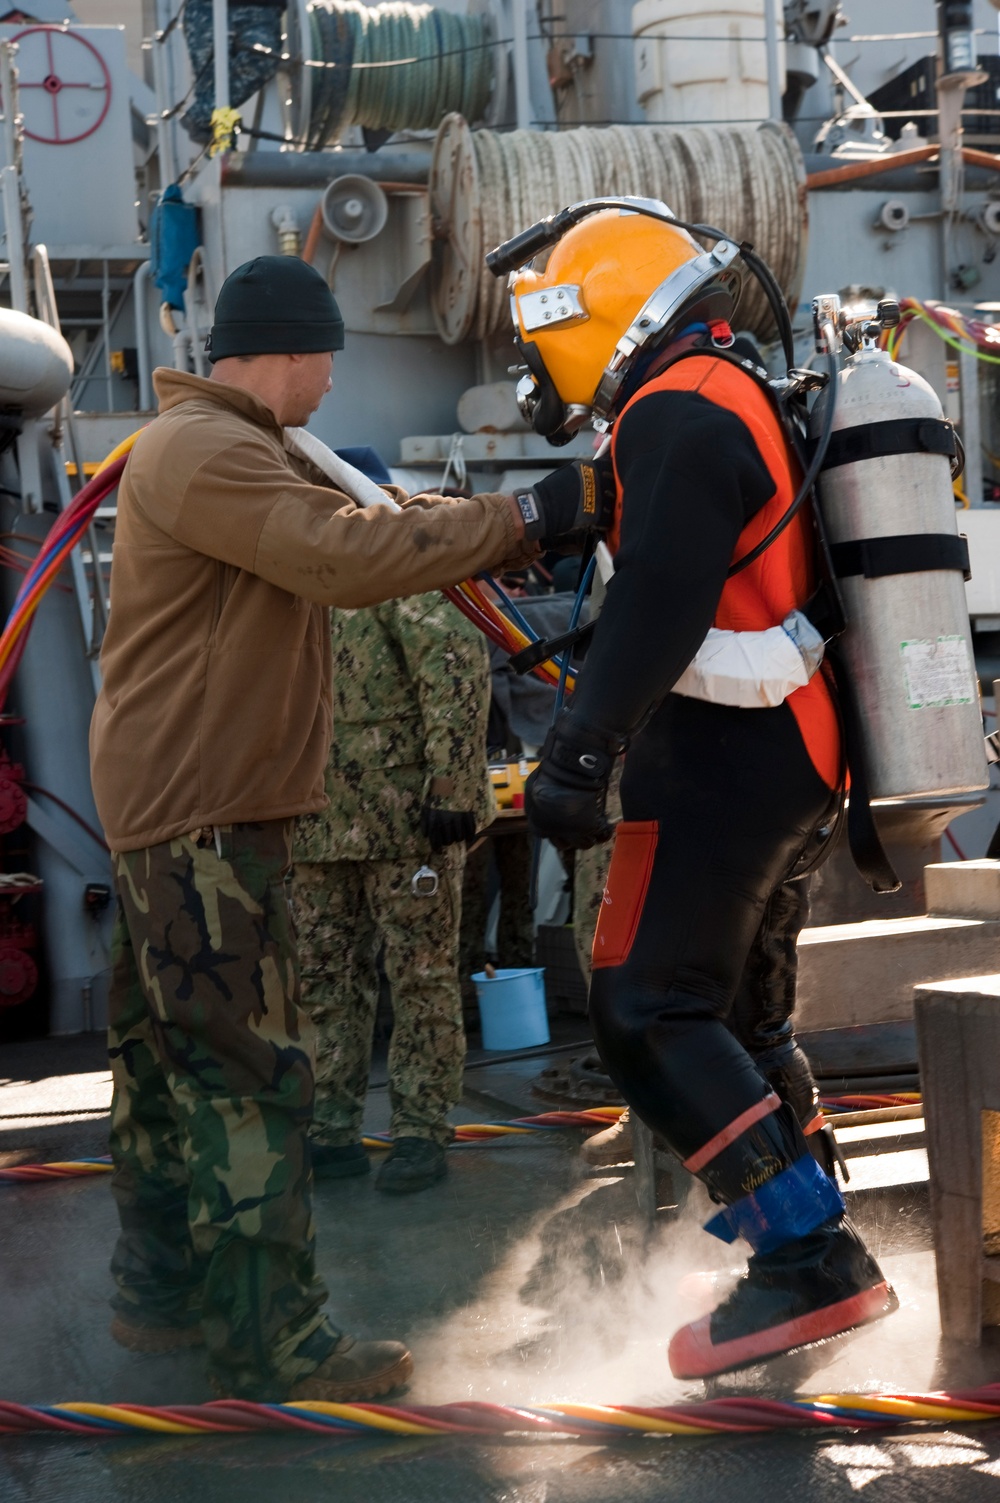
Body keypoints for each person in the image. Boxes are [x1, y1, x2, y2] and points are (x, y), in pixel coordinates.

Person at [89, 254, 612, 1403]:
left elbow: (371, 515)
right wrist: (529, 511)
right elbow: (342, 556)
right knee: (252, 1077)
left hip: (176, 810)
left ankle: (163, 1298)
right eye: (328, 358)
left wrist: (510, 528)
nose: (332, 384)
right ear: (289, 348)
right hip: (206, 820)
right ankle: (276, 1346)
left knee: (166, 1068)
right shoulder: (213, 450)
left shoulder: (228, 448)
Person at [513, 205, 897, 1379]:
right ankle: (808, 1234)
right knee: (738, 1017)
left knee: (643, 1008)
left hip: (728, 754)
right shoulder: (717, 390)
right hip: (788, 748)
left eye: (541, 335)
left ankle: (809, 1261)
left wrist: (577, 754)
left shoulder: (675, 408)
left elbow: (664, 599)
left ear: (600, 319)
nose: (534, 362)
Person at [294, 588, 495, 1194]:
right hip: (314, 822)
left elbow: (453, 659)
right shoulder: (283, 566)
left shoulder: (386, 556)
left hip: (405, 819)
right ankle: (329, 1131)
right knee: (323, 981)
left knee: (421, 979)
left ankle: (419, 1131)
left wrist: (455, 785)